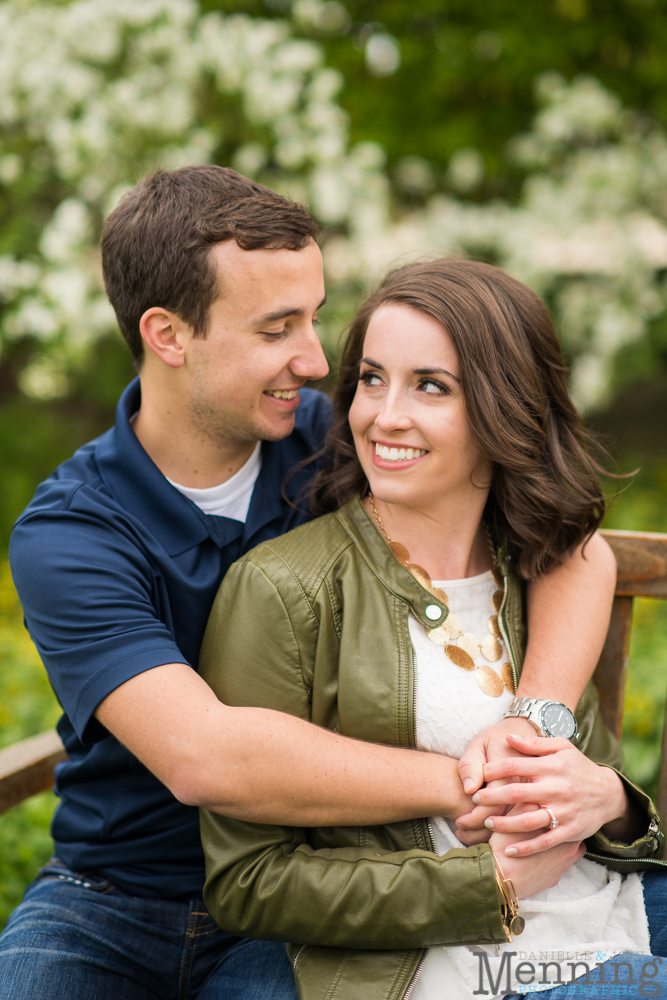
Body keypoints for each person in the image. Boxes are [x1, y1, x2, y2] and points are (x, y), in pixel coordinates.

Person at [1, 167, 621, 1000]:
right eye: (277, 328)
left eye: (316, 318)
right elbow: (204, 758)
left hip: (325, 874)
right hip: (120, 895)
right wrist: (478, 782)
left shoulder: (341, 441)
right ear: (168, 334)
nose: (317, 358)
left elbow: (573, 547)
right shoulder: (73, 533)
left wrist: (531, 726)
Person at [198, 258, 667, 1000]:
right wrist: (485, 885)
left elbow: (586, 780)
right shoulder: (283, 589)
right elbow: (247, 882)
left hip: (611, 907)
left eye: (430, 386)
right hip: (446, 961)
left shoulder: (540, 567)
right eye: (372, 379)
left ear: (505, 407)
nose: (383, 416)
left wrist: (609, 801)